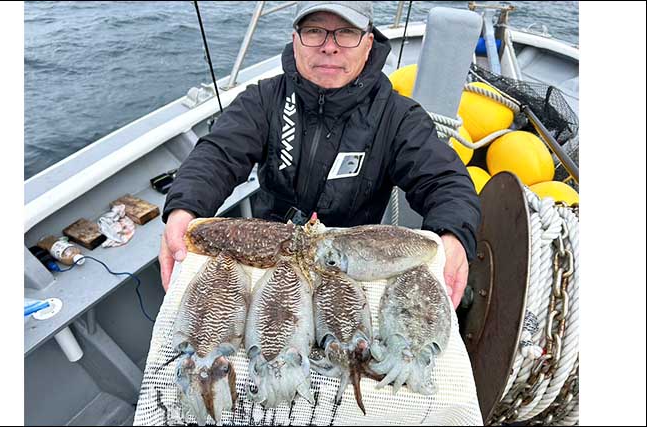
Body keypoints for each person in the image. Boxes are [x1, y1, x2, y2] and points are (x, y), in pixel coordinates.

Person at [159, 1, 481, 308]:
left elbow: (447, 181)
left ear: (368, 43)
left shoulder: (398, 118)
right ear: (295, 40)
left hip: (352, 268)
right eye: (314, 31)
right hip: (268, 257)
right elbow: (218, 155)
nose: (329, 46)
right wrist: (183, 208)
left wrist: (453, 235)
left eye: (346, 32)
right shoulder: (262, 100)